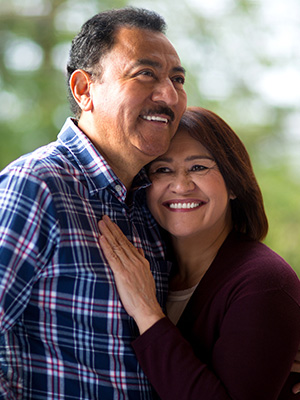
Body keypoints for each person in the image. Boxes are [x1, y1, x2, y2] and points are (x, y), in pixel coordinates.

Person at [0, 7, 187, 399]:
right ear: (84, 89)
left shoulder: (154, 205)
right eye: (145, 74)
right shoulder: (36, 185)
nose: (169, 95)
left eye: (177, 79)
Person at [98, 107, 300, 400]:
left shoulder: (264, 281)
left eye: (198, 167)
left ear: (233, 184)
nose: (180, 186)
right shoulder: (152, 267)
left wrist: (147, 312)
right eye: (163, 170)